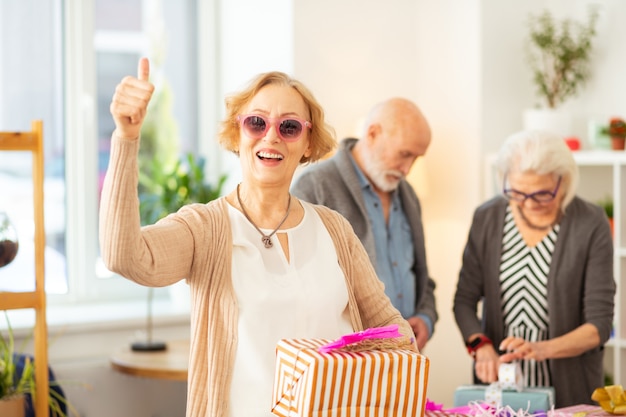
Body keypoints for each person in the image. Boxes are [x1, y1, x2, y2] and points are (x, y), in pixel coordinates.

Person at [100, 58, 417, 417]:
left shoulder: (335, 230)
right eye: (256, 122)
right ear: (238, 133)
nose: (271, 136)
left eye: (289, 127)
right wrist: (126, 138)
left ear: (308, 143)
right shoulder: (204, 228)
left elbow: (393, 333)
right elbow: (123, 256)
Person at [453, 129, 615, 407]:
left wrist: (541, 349)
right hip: (499, 389)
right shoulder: (487, 218)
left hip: (570, 388)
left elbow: (598, 325)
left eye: (541, 194)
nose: (528, 204)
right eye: (516, 192)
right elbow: (464, 301)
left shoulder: (590, 222)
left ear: (563, 182)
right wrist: (481, 347)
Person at [291, 98, 437, 350]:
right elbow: (297, 283)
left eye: (416, 158)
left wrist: (426, 318)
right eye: (404, 154)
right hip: (349, 363)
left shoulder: (409, 196)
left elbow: (422, 277)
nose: (408, 169)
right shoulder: (315, 186)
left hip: (406, 357)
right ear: (372, 134)